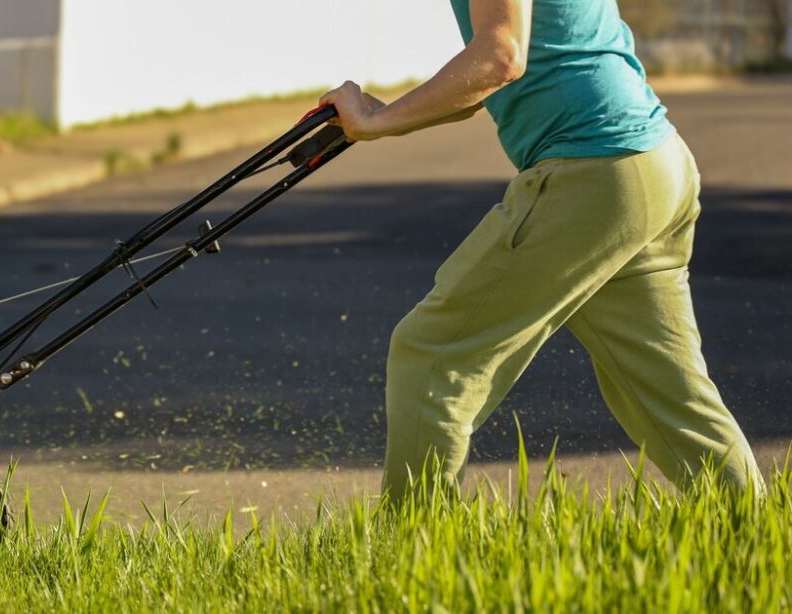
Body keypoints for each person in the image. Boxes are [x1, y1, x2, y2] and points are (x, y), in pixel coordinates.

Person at [319, 0, 765, 499]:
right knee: (668, 391)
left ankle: (407, 552)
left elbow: (501, 58)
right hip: (652, 165)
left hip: (592, 170)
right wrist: (384, 117)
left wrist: (376, 123)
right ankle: (754, 531)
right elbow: (491, 75)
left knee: (432, 355)